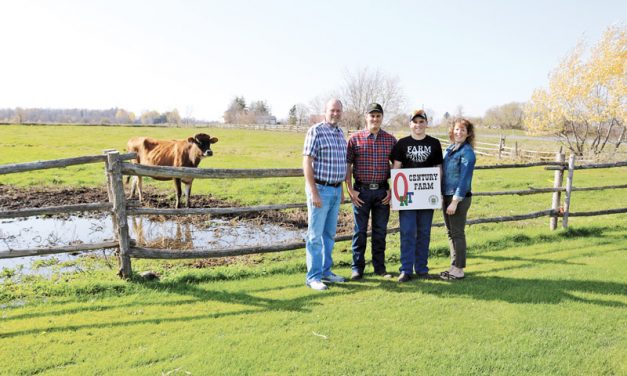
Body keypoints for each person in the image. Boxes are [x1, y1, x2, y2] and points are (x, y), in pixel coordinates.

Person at [345, 103, 397, 280]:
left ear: (382, 118)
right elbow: (348, 166)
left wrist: (393, 191)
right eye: (372, 116)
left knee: (380, 231)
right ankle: (357, 268)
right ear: (366, 117)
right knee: (359, 232)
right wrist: (350, 190)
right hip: (362, 191)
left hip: (382, 191)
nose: (375, 119)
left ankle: (379, 268)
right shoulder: (355, 139)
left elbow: (397, 167)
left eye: (378, 116)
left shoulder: (390, 140)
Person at [390, 109, 443, 282]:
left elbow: (438, 169)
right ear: (410, 124)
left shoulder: (434, 144)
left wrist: (437, 191)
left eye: (422, 122)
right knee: (407, 231)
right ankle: (406, 269)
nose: (418, 125)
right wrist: (394, 194)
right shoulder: (402, 144)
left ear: (426, 124)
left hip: (427, 195)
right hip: (407, 196)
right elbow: (396, 169)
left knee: (424, 232)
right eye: (415, 122)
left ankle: (421, 268)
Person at [302, 98, 348, 290]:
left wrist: (342, 189)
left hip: (336, 189)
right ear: (325, 111)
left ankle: (326, 272)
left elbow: (342, 163)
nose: (335, 113)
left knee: (329, 234)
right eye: (332, 110)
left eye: (338, 110)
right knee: (315, 235)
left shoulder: (340, 133)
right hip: (320, 189)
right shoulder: (316, 131)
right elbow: (307, 162)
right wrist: (313, 192)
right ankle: (313, 276)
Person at [440, 118, 476, 280]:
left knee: (457, 233)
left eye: (462, 130)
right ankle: (453, 266)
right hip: (446, 196)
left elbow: (464, 180)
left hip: (458, 199)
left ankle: (459, 269)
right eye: (456, 129)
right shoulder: (449, 149)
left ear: (468, 133)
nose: (459, 132)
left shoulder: (467, 152)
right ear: (452, 131)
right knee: (450, 233)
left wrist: (455, 201)